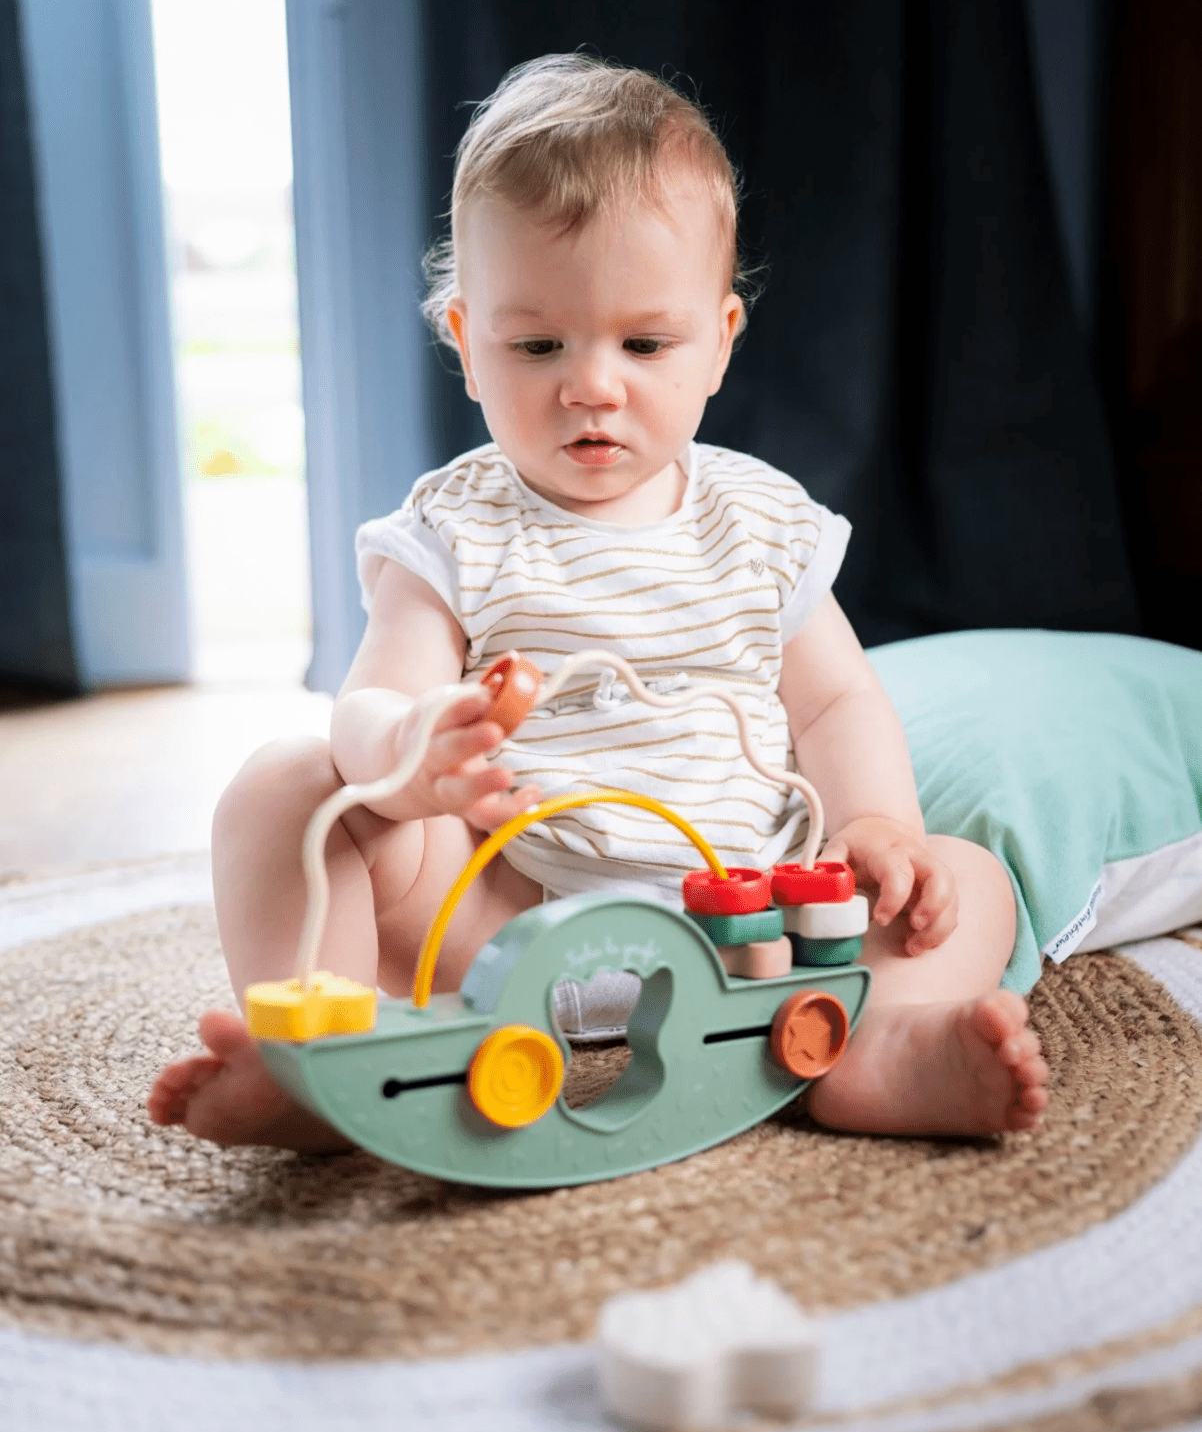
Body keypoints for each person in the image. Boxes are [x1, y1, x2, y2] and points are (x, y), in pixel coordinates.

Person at [148, 55, 1048, 1150]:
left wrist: (875, 828)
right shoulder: (454, 528)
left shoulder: (762, 523)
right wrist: (412, 752)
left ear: (718, 343)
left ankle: (870, 1046)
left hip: (754, 933)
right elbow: (370, 700)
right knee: (287, 784)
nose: (591, 385)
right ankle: (330, 1056)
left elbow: (834, 703)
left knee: (968, 879)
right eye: (537, 345)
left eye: (644, 344)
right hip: (501, 920)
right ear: (466, 343)